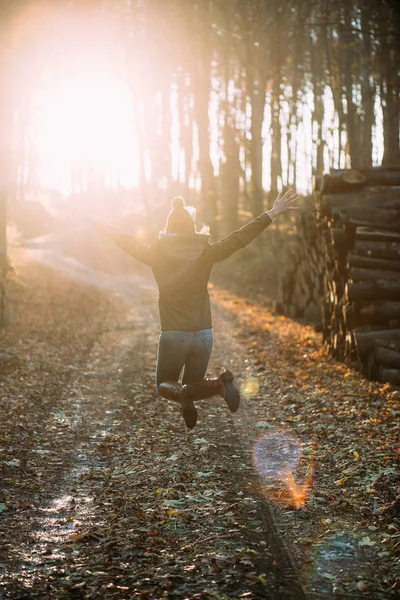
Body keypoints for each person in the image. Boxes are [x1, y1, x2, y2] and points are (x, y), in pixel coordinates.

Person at [94, 190, 299, 429]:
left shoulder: (156, 253)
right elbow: (238, 238)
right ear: (192, 229)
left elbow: (127, 241)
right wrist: (272, 213)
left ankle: (184, 394)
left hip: (173, 335)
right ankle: (221, 385)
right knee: (194, 386)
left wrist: (100, 223)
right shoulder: (206, 251)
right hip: (203, 335)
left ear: (167, 230)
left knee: (164, 385)